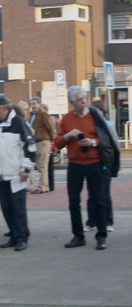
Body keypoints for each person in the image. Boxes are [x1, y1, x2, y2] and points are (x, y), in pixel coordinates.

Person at [53, 86, 120, 250]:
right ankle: (78, 236)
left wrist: (93, 142)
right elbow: (58, 143)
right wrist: (69, 136)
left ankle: (101, 236)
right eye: (80, 100)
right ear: (72, 102)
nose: (84, 102)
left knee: (99, 200)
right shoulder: (66, 119)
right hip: (75, 164)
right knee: (73, 202)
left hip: (95, 163)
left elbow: (107, 137)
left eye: (84, 98)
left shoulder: (95, 115)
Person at [0, 96, 36, 251]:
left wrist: (25, 169)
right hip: (0, 174)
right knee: (6, 207)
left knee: (17, 207)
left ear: (4, 108)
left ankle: (22, 237)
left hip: (16, 173)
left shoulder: (18, 123)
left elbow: (30, 147)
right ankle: (13, 235)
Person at [28, 97, 57, 194]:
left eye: (34, 103)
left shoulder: (42, 113)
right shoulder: (32, 115)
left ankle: (43, 186)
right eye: (31, 104)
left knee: (43, 165)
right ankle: (43, 185)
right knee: (39, 165)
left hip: (43, 141)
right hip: (36, 142)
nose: (32, 106)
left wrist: (50, 140)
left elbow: (51, 128)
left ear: (39, 104)